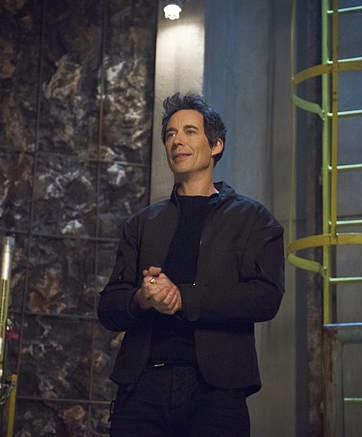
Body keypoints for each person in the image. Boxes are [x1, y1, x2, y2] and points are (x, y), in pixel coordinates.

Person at [98, 92, 285, 436]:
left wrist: (183, 297)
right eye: (170, 134)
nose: (177, 141)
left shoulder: (253, 219)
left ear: (216, 145)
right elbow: (108, 307)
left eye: (189, 131)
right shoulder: (142, 223)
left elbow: (265, 298)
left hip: (217, 393)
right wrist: (141, 298)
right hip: (141, 388)